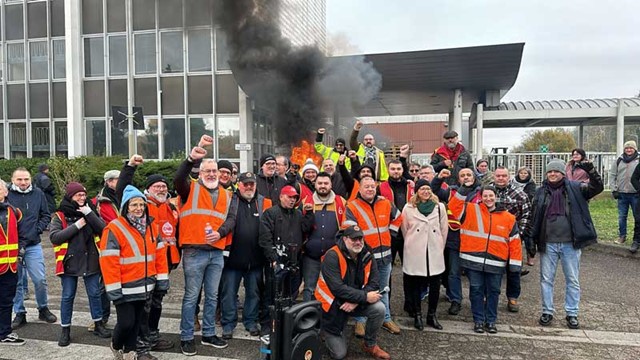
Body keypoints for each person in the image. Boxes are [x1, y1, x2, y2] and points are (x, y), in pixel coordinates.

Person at [174, 136, 238, 356]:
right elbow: (178, 178)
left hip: (216, 252)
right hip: (194, 252)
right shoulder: (188, 189)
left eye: (214, 171)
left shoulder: (227, 194)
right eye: (207, 170)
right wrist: (192, 158)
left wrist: (219, 233)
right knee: (191, 296)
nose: (212, 174)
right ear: (199, 173)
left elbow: (231, 220)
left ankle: (209, 334)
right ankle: (187, 337)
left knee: (212, 296)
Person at [526, 159, 603, 329]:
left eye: (556, 171)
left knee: (573, 280)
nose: (552, 174)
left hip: (570, 244)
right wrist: (530, 239)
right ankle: (547, 311)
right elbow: (534, 217)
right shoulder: (540, 192)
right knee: (546, 280)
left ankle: (572, 313)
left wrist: (591, 171)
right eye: (550, 172)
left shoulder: (576, 188)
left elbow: (597, 188)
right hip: (548, 243)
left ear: (563, 173)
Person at [117, 155, 178, 355]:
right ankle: (140, 346)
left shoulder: (170, 205)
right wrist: (130, 167)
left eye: (163, 186)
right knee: (144, 309)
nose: (161, 189)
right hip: (140, 270)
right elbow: (123, 190)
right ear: (148, 189)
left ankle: (152, 337)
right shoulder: (142, 205)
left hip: (162, 265)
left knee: (156, 305)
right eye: (156, 186)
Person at [100, 185, 169, 360]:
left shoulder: (152, 226)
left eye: (141, 205)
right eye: (134, 205)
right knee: (126, 322)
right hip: (125, 287)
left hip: (146, 286)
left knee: (137, 323)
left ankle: (131, 353)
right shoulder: (114, 228)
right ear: (125, 207)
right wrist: (114, 289)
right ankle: (116, 345)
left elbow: (160, 256)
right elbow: (109, 261)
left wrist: (162, 281)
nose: (139, 209)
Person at [449, 185, 522, 334]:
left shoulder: (508, 218)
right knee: (476, 290)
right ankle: (478, 321)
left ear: (496, 197)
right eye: (485, 196)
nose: (488, 198)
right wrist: (464, 189)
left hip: (496, 263)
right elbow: (453, 207)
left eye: (491, 196)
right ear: (481, 197)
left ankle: (491, 321)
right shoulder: (470, 210)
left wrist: (515, 266)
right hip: (473, 261)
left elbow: (515, 243)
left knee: (494, 292)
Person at [49, 182, 111, 347]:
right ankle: (65, 330)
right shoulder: (60, 215)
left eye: (83, 195)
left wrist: (89, 214)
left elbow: (104, 230)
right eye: (78, 195)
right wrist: (77, 225)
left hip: (91, 260)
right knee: (68, 296)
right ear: (71, 197)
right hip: (69, 262)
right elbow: (55, 237)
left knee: (94, 294)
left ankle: (99, 324)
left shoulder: (90, 210)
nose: (82, 198)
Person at [315, 226, 390, 360]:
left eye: (360, 238)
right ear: (344, 239)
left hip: (353, 302)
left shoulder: (367, 254)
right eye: (354, 239)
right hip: (333, 307)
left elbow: (374, 283)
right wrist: (365, 297)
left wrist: (356, 301)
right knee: (339, 354)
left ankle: (370, 344)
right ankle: (325, 332)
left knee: (379, 309)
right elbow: (337, 288)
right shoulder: (332, 255)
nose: (358, 242)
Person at [343, 177, 402, 336]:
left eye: (372, 186)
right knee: (363, 289)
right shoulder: (352, 206)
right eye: (366, 187)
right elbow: (348, 230)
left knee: (384, 289)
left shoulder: (386, 203)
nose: (370, 189)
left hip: (385, 257)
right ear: (360, 189)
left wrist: (392, 232)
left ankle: (386, 318)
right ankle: (360, 321)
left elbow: (398, 217)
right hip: (365, 258)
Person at [221, 172, 271, 339]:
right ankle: (228, 324)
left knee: (254, 293)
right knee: (228, 294)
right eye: (245, 184)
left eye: (252, 184)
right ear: (239, 185)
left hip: (256, 260)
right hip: (232, 259)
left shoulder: (264, 202)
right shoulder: (229, 200)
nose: (249, 187)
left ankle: (250, 322)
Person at [259, 186, 314, 330]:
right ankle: (267, 324)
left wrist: (308, 213)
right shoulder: (271, 213)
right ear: (281, 197)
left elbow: (306, 228)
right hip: (276, 261)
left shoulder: (297, 214)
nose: (292, 200)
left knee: (291, 294)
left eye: (295, 198)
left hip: (294, 261)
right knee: (272, 294)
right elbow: (265, 238)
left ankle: (286, 323)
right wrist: (273, 258)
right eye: (290, 197)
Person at [9, 168, 56, 330]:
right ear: (13, 180)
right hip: (13, 246)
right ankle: (19, 312)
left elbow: (46, 215)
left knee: (39, 280)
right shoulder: (7, 196)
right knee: (17, 282)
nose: (23, 182)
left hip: (33, 244)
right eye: (19, 179)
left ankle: (43, 308)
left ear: (30, 179)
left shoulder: (38, 194)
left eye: (26, 179)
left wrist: (37, 229)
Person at [431, 168, 481, 316]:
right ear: (458, 179)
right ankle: (455, 300)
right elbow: (434, 191)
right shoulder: (451, 192)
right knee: (453, 273)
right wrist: (438, 178)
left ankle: (478, 300)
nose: (466, 178)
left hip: (474, 240)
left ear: (474, 177)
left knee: (475, 274)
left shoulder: (481, 192)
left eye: (468, 175)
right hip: (455, 240)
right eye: (462, 175)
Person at [401, 180, 447, 331]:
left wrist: (439, 246)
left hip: (434, 250)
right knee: (415, 284)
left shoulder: (439, 207)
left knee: (435, 286)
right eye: (422, 189)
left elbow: (443, 229)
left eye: (428, 188)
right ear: (417, 191)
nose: (426, 191)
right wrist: (411, 243)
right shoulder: (408, 208)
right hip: (415, 251)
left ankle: (431, 315)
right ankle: (418, 315)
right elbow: (405, 229)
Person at [491, 166, 532, 313]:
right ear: (493, 176)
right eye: (498, 176)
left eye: (504, 176)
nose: (501, 178)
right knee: (492, 270)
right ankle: (490, 297)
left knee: (514, 271)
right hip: (492, 241)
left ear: (509, 177)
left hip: (512, 241)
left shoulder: (520, 194)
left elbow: (526, 215)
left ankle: (512, 298)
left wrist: (518, 235)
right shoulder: (487, 193)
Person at [300, 172, 346, 302]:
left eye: (326, 183)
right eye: (320, 183)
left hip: (333, 257)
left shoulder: (341, 202)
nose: (323, 186)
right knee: (309, 288)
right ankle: (308, 319)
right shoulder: (306, 202)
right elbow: (300, 227)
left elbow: (345, 228)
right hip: (311, 256)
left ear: (331, 184)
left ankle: (329, 319)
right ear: (315, 184)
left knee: (333, 288)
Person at [0, 179, 25, 345]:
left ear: (6, 191)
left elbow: (22, 233)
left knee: (6, 301)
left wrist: (21, 251)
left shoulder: (14, 211)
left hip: (10, 267)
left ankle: (4, 333)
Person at [609, 140, 640, 245]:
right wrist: (614, 189)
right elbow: (612, 175)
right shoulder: (619, 160)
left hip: (636, 193)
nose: (629, 150)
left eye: (631, 148)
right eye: (627, 148)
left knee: (637, 217)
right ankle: (622, 236)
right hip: (622, 193)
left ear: (635, 148)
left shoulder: (638, 160)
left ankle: (637, 238)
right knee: (622, 216)